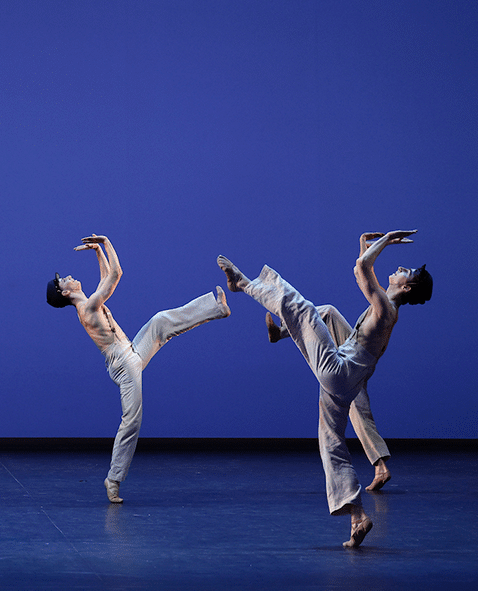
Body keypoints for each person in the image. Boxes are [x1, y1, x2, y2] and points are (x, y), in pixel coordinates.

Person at [217, 230, 431, 548]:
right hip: (345, 382)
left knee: (301, 309)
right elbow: (363, 268)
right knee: (331, 445)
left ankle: (243, 284)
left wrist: (385, 240)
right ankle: (358, 517)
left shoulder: (386, 308)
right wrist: (364, 243)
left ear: (407, 286)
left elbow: (361, 270)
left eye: (406, 272)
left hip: (339, 371)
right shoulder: (385, 305)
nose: (400, 268)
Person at [46, 234, 231, 504]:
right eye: (64, 280)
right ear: (64, 292)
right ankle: (113, 479)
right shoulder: (87, 309)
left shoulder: (89, 303)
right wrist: (107, 242)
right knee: (131, 421)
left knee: (160, 322)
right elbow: (116, 275)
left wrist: (97, 250)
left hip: (130, 352)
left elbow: (105, 277)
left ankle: (217, 308)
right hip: (123, 363)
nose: (69, 276)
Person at [265, 308, 392, 491]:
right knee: (328, 312)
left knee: (358, 410)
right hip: (354, 344)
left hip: (360, 359)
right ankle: (282, 330)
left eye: (405, 276)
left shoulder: (388, 302)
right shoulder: (390, 296)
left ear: (407, 288)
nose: (395, 276)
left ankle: (380, 467)